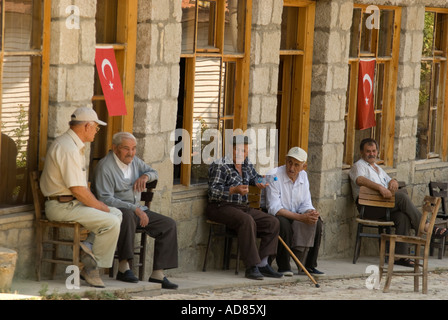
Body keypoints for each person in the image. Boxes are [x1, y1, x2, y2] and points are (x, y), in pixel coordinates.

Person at [40, 107, 122, 288]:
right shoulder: (68, 148)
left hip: (71, 204)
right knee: (111, 220)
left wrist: (102, 207)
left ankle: (87, 249)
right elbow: (77, 189)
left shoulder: (72, 145)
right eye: (95, 128)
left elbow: (79, 190)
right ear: (86, 126)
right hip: (60, 207)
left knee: (116, 213)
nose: (96, 132)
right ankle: (92, 268)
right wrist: (101, 206)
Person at [93, 132, 179, 289]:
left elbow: (155, 173)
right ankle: (124, 267)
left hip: (138, 210)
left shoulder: (135, 162)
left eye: (133, 148)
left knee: (169, 224)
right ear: (115, 148)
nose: (131, 153)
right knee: (127, 216)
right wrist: (134, 209)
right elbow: (105, 198)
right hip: (115, 211)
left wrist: (145, 176)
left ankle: (158, 274)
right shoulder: (105, 167)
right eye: (126, 149)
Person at [349, 138, 447, 266]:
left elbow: (389, 179)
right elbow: (360, 180)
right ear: (362, 152)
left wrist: (393, 181)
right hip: (368, 207)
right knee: (401, 197)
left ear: (377, 152)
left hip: (383, 206)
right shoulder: (359, 165)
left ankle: (401, 257)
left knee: (402, 217)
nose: (371, 154)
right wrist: (380, 187)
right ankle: (427, 227)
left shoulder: (377, 167)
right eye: (368, 151)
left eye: (374, 151)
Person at [206, 135, 283, 280]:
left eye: (245, 151)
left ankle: (263, 264)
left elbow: (254, 178)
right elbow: (213, 192)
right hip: (220, 206)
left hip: (242, 207)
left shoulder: (246, 163)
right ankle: (251, 267)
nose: (241, 154)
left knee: (272, 222)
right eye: (238, 150)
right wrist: (234, 190)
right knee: (246, 220)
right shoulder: (220, 165)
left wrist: (262, 181)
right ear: (231, 149)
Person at [265, 147, 324, 276]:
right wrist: (300, 217)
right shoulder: (274, 175)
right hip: (276, 214)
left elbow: (306, 203)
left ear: (304, 166)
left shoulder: (304, 175)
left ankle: (308, 266)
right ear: (285, 161)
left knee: (317, 222)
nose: (291, 168)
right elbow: (274, 207)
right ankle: (284, 266)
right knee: (283, 224)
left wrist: (311, 212)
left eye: (296, 165)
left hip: (295, 213)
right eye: (289, 162)